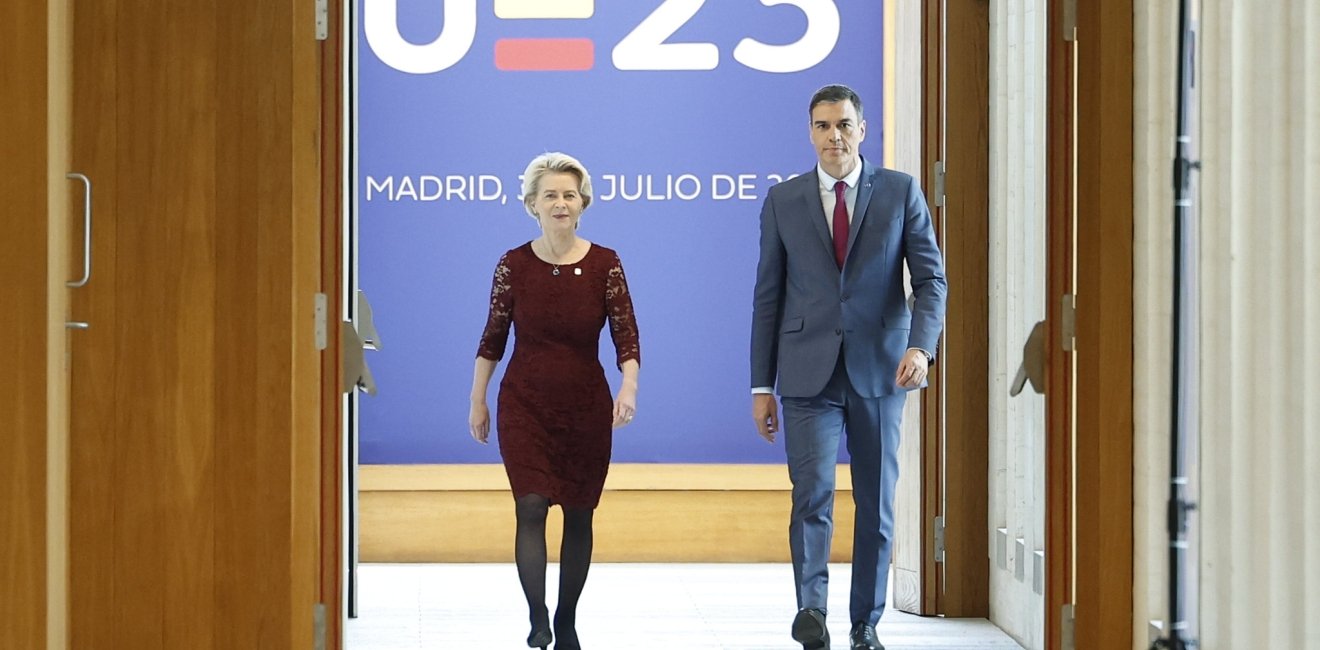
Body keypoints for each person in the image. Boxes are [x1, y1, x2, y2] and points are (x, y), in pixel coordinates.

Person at [750, 84, 947, 650]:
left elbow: (930, 281)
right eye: (821, 126)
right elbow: (768, 296)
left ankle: (866, 623)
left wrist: (920, 347)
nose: (833, 136)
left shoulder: (901, 192)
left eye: (842, 125)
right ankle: (812, 612)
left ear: (862, 130)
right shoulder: (784, 201)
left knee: (876, 504)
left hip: (881, 372)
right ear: (810, 132)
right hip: (806, 373)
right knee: (809, 494)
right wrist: (763, 385)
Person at [469, 152, 641, 650]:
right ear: (532, 205)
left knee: (580, 513)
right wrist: (478, 398)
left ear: (582, 203)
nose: (560, 203)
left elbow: (626, 334)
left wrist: (628, 386)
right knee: (530, 506)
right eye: (550, 195)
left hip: (586, 406)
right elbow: (493, 335)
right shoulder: (513, 264)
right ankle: (538, 617)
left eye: (569, 195)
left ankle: (566, 621)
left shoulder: (606, 263)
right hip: (523, 404)